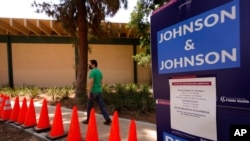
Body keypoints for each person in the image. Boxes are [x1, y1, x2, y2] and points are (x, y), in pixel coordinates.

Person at [82, 59, 112, 125]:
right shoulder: (100, 72)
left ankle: (88, 120)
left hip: (93, 91)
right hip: (99, 91)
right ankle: (108, 119)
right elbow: (101, 83)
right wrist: (99, 88)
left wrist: (89, 91)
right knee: (102, 106)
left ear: (93, 65)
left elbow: (91, 82)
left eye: (90, 64)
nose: (89, 65)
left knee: (89, 106)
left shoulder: (92, 72)